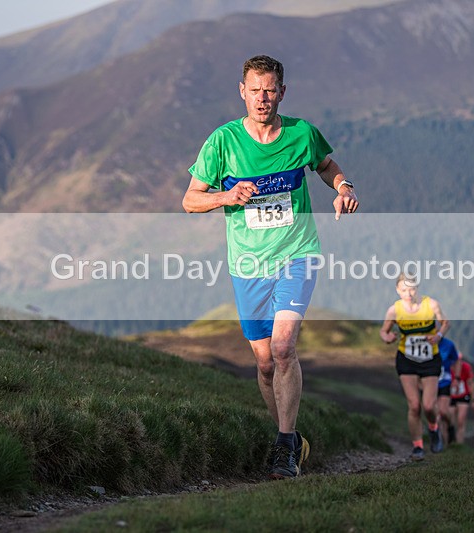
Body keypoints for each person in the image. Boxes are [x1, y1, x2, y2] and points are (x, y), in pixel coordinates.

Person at [182, 55, 359, 479]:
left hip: (296, 253)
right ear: (241, 92)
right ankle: (290, 437)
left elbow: (326, 166)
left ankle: (283, 446)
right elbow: (190, 200)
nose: (263, 98)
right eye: (255, 89)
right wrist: (226, 197)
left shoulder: (301, 133)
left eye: (270, 89)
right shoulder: (222, 142)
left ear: (283, 92)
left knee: (283, 348)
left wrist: (343, 186)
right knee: (264, 363)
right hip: (247, 264)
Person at [380, 273, 450, 460]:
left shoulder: (431, 305)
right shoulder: (394, 310)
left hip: (430, 359)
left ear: (417, 288)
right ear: (397, 290)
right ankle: (418, 446)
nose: (408, 293)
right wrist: (388, 338)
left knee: (428, 406)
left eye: (411, 289)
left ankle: (434, 430)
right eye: (404, 290)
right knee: (414, 405)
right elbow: (384, 331)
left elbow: (445, 323)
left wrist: (438, 336)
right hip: (406, 359)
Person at [436, 337, 460, 445]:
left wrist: (457, 378)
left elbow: (457, 359)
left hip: (445, 381)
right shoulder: (424, 340)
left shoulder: (449, 344)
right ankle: (439, 441)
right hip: (430, 382)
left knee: (443, 411)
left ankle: (450, 427)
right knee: (434, 414)